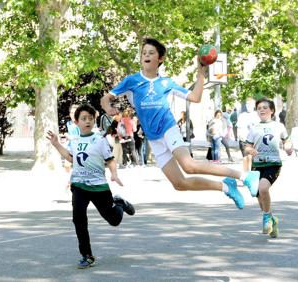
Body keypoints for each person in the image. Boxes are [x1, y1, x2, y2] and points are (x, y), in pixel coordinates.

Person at [101, 37, 260, 209]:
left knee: (189, 166)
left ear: (159, 59)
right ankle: (226, 186)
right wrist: (108, 108)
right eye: (144, 53)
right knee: (179, 183)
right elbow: (105, 99)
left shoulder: (166, 83)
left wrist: (200, 74)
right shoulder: (131, 81)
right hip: (154, 138)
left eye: (151, 53)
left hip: (168, 129)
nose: (146, 55)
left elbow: (195, 98)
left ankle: (245, 176)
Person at [46, 104, 135, 269]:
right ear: (77, 122)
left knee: (114, 220)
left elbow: (110, 160)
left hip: (99, 187)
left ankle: (120, 204)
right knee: (78, 218)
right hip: (79, 186)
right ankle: (87, 255)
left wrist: (114, 175)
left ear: (94, 120)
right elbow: (71, 158)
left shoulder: (99, 140)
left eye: (90, 118)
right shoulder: (75, 141)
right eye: (83, 118)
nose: (87, 121)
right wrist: (56, 144)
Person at [244, 98, 293, 238]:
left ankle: (266, 218)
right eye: (259, 108)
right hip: (257, 165)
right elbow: (247, 146)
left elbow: (286, 141)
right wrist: (250, 150)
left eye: (265, 107)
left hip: (273, 164)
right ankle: (272, 220)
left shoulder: (279, 126)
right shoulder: (254, 129)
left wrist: (288, 148)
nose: (262, 110)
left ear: (272, 110)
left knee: (263, 188)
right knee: (259, 195)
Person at [237, 97, 260, 172]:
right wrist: (239, 136)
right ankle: (246, 174)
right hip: (243, 139)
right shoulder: (242, 115)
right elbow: (239, 127)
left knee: (251, 157)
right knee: (245, 157)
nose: (248, 106)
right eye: (247, 104)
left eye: (250, 104)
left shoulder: (257, 115)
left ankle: (250, 173)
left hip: (253, 140)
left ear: (254, 105)